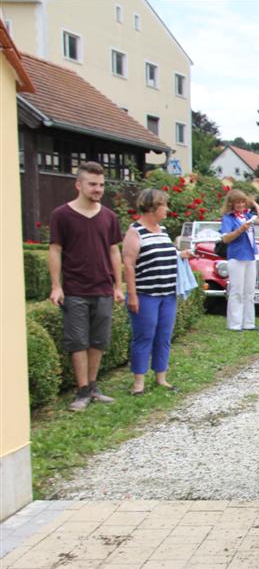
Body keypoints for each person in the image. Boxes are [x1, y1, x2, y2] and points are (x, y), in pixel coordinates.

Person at [48, 161, 125, 412]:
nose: (98, 189)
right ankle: (81, 391)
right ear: (78, 184)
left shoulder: (109, 217)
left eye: (101, 185)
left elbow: (114, 251)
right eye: (92, 184)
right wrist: (56, 286)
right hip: (75, 289)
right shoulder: (62, 215)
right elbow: (55, 250)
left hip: (102, 288)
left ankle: (92, 386)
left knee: (98, 341)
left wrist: (118, 285)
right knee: (78, 341)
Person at [122, 188, 191, 395]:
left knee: (164, 336)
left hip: (167, 294)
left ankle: (161, 377)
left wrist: (181, 254)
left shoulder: (162, 231)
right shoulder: (135, 232)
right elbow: (128, 264)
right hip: (146, 295)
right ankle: (138, 382)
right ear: (153, 208)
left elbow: (168, 254)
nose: (167, 209)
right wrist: (132, 296)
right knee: (144, 336)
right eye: (164, 205)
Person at [219, 188, 259, 331]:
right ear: (231, 204)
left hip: (250, 256)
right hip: (237, 256)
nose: (240, 205)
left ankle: (249, 323)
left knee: (249, 291)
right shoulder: (229, 218)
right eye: (237, 203)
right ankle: (234, 323)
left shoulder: (247, 216)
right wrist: (240, 230)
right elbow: (225, 238)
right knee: (237, 291)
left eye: (242, 202)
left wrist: (255, 204)